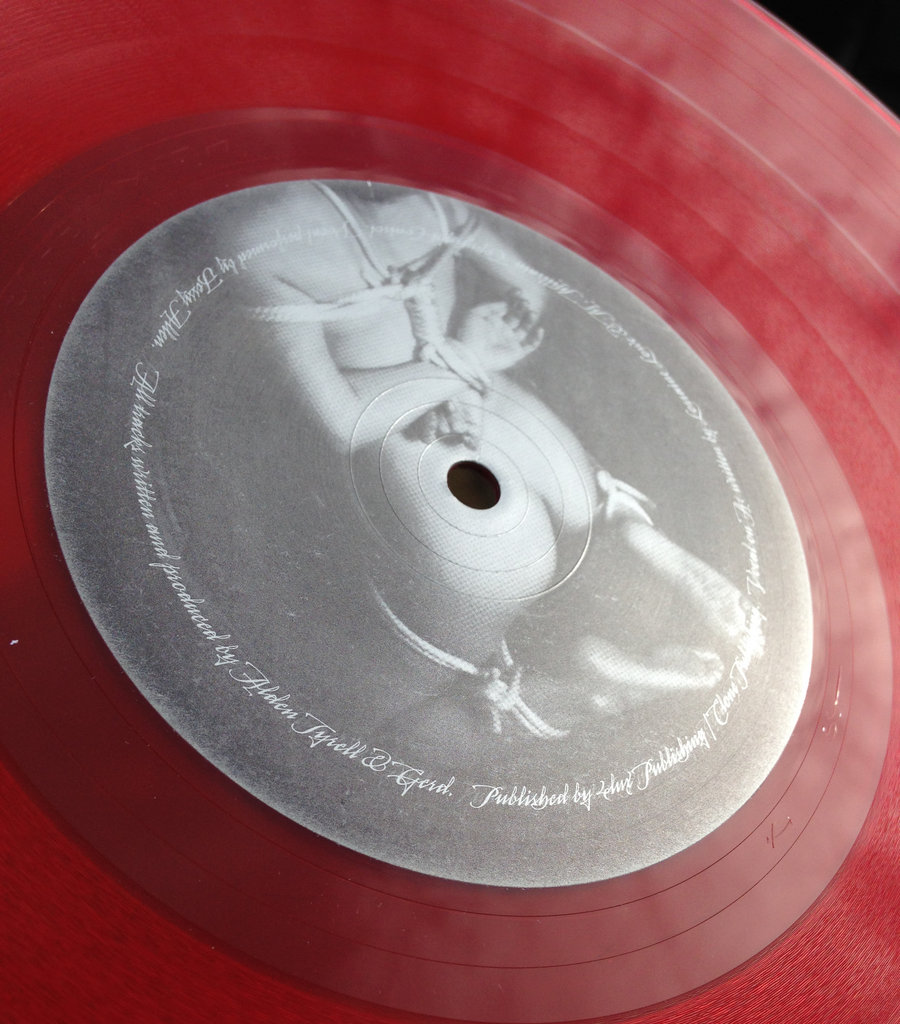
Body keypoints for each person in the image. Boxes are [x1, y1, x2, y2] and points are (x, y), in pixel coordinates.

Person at [236, 182, 757, 750]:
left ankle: (594, 678)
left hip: (426, 416)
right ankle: (624, 549)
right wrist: (467, 361)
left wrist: (461, 367)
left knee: (395, 725)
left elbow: (343, 416)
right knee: (558, 515)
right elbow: (342, 422)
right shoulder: (405, 194)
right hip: (429, 415)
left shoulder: (275, 221)